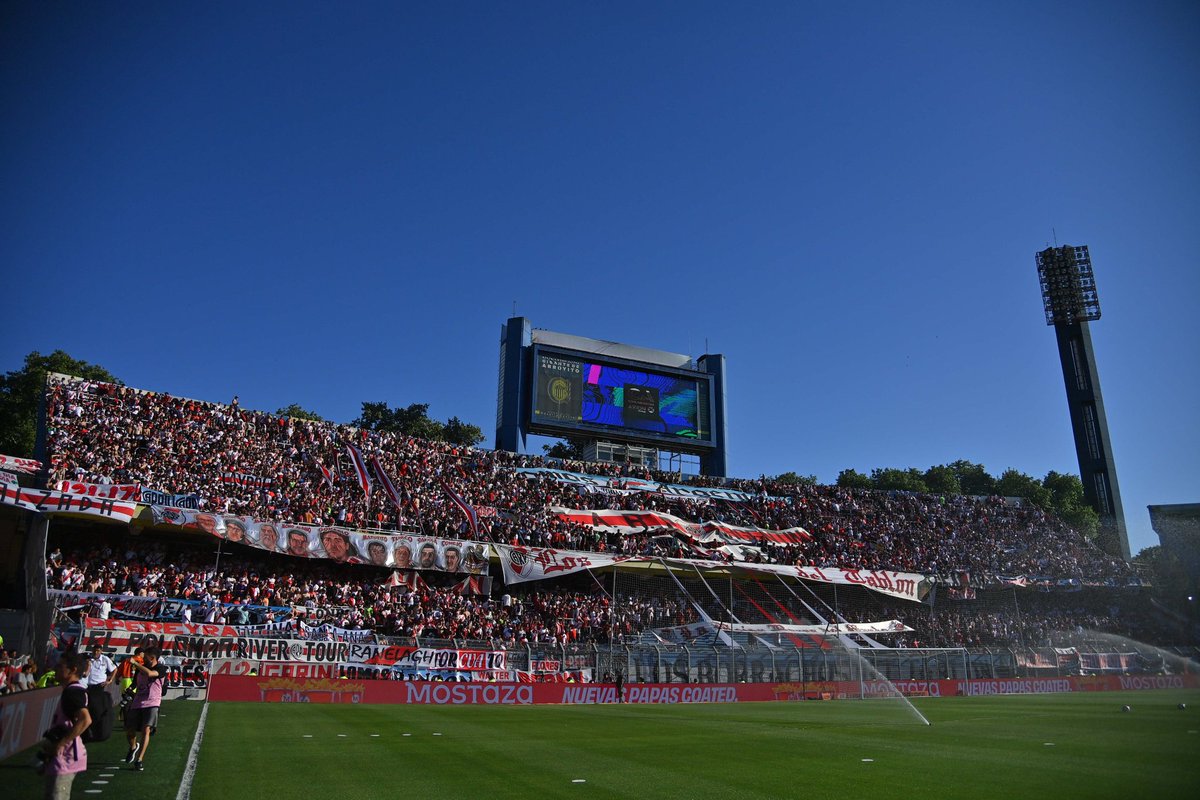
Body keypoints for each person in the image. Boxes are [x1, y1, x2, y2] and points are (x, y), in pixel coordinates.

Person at [40, 651, 90, 800]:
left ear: (73, 669)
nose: (55, 668)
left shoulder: (72, 692)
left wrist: (61, 743)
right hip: (64, 756)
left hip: (66, 757)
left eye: (60, 666)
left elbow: (85, 719)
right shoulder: (71, 691)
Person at [124, 647, 164, 771]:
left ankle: (139, 759)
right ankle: (133, 747)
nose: (143, 658)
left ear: (152, 658)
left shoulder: (161, 668)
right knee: (130, 730)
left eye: (146, 656)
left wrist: (135, 663)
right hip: (138, 702)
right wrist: (130, 690)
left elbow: (150, 674)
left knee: (146, 730)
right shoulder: (140, 669)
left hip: (152, 702)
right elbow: (135, 683)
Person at [83, 645, 116, 742]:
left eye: (98, 651)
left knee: (97, 709)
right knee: (89, 709)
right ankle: (89, 731)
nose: (96, 653)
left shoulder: (105, 659)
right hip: (89, 686)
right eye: (94, 651)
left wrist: (110, 680)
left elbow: (114, 669)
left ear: (101, 651)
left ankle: (97, 731)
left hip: (99, 686)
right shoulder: (89, 660)